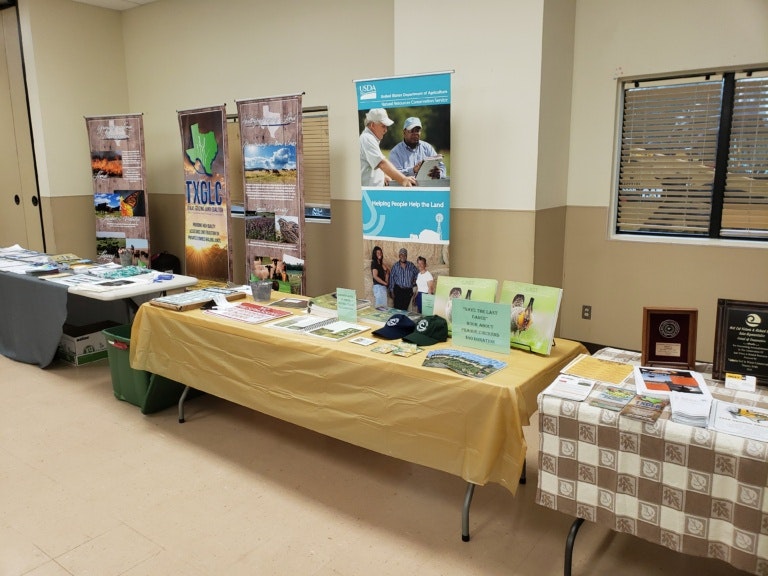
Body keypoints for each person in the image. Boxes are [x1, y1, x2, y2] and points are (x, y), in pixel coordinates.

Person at [359, 108, 417, 188]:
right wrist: (403, 179)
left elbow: (372, 164)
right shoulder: (367, 138)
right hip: (371, 193)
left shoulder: (368, 138)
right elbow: (382, 163)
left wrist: (382, 177)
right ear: (372, 125)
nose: (386, 130)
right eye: (383, 126)